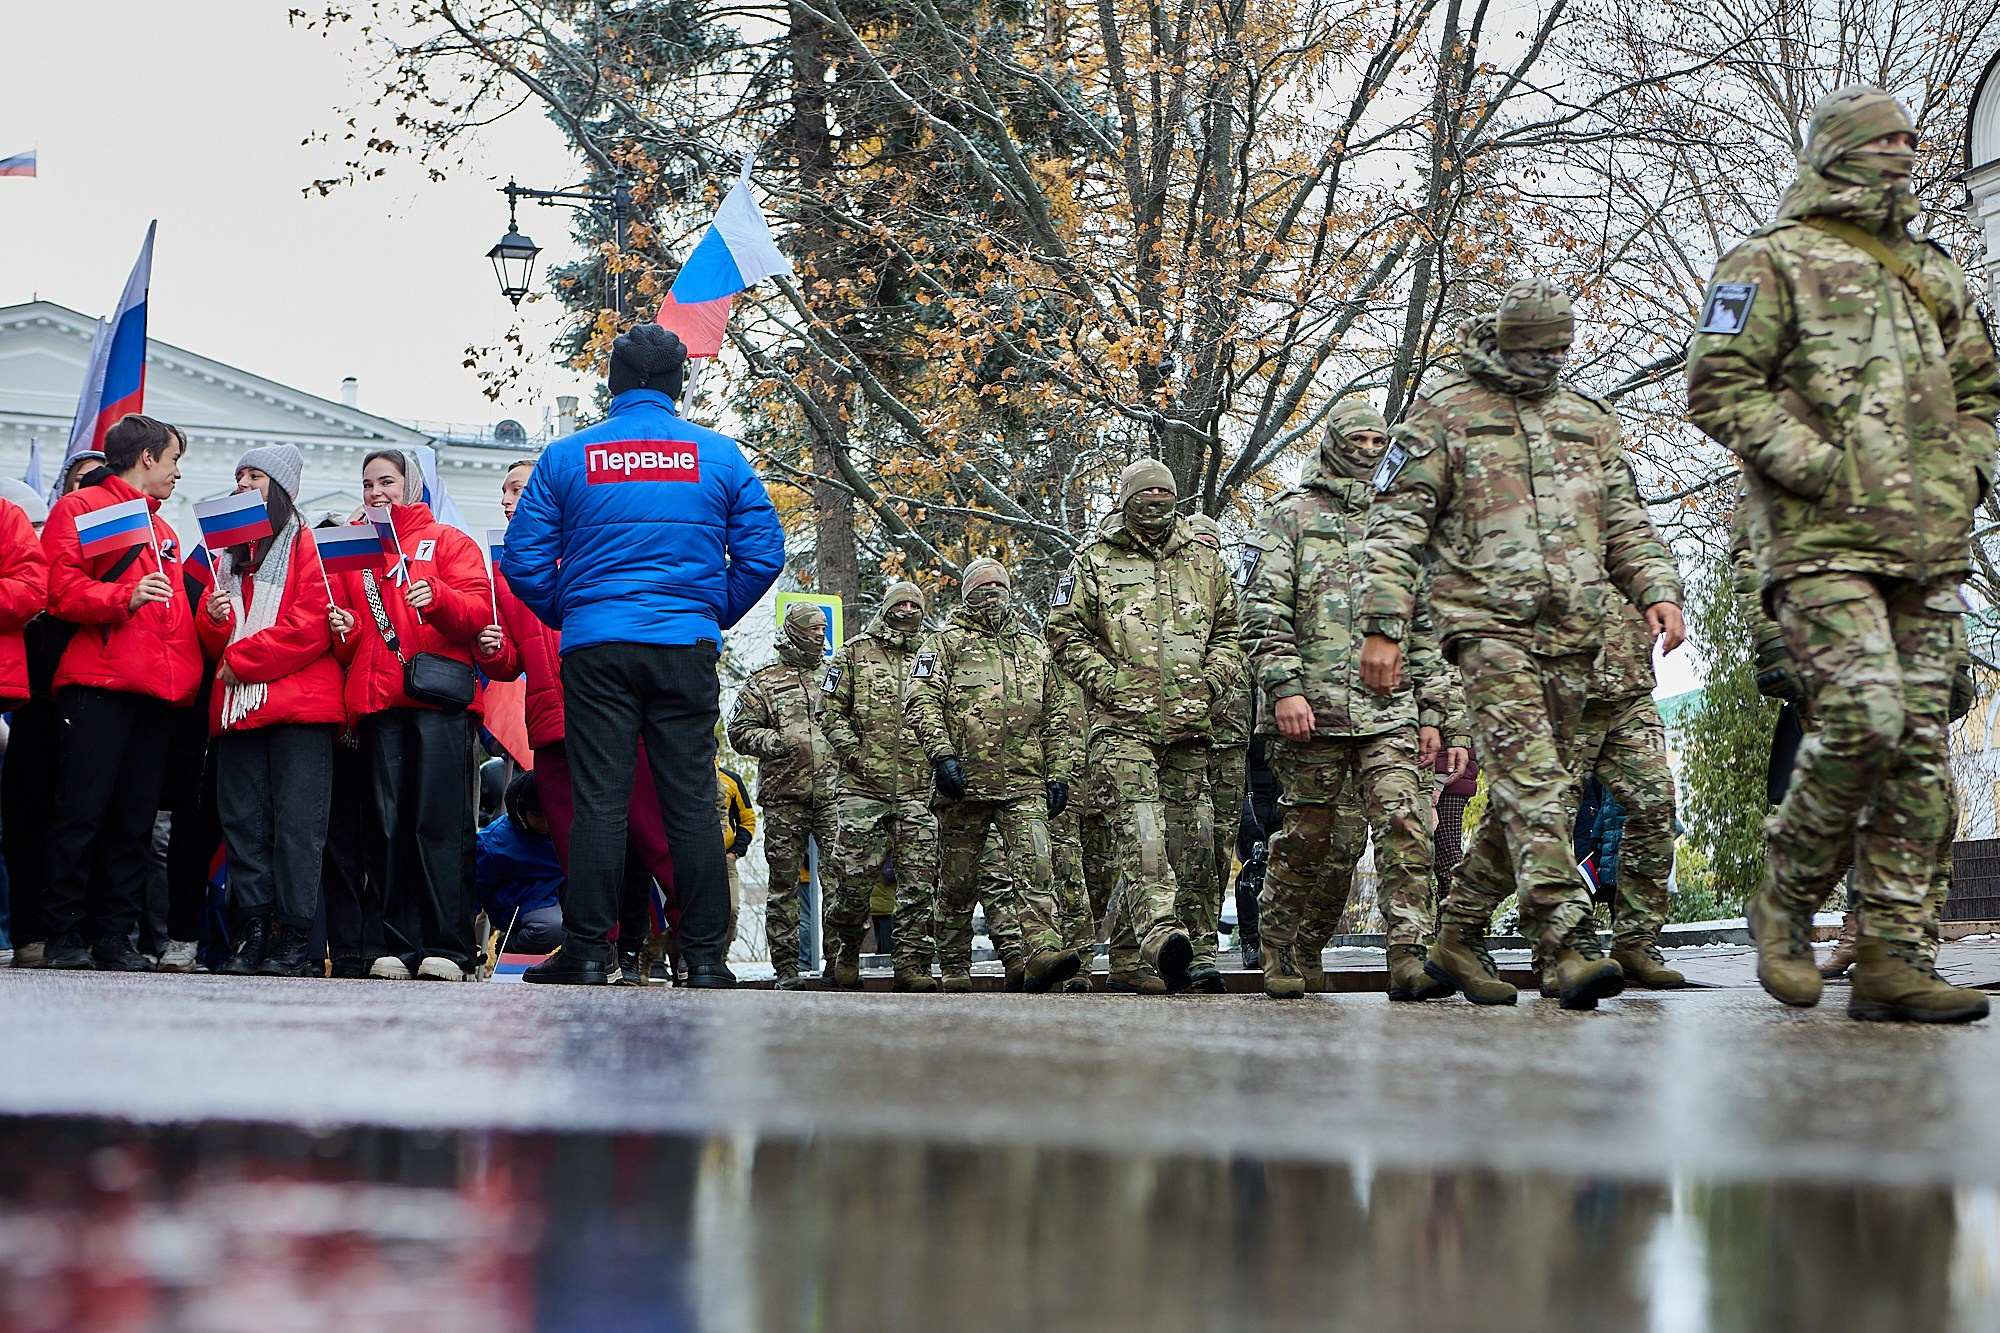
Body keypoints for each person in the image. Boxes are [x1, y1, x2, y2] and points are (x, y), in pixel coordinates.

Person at [1692, 91, 1997, 1022]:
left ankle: (1893, 960)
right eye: (1888, 139)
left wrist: (1970, 473)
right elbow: (1717, 387)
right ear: (1841, 151)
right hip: (1818, 542)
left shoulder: (1933, 270)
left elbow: (1981, 383)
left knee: (1915, 752)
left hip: (1928, 546)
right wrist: (1820, 466)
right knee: (1863, 713)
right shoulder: (1768, 262)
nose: (1908, 152)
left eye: (1912, 138)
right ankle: (1784, 894)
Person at [1362, 279, 1685, 1011]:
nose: (1548, 363)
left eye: (1560, 351)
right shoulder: (1442, 417)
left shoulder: (1588, 420)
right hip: (1486, 629)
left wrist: (1658, 589)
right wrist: (1383, 626)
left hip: (1577, 639)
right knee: (1537, 787)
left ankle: (1459, 929)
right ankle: (1564, 945)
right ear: (1506, 342)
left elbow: (1626, 521)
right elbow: (1395, 530)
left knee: (1529, 798)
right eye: (1536, 350)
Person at [504, 322, 786, 986]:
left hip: (597, 647)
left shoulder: (568, 456)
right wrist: (707, 613)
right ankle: (708, 958)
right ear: (677, 385)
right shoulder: (718, 456)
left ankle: (587, 951)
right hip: (682, 646)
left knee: (600, 799)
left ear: (612, 384)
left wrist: (571, 612)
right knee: (689, 797)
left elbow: (522, 559)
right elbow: (764, 553)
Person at [1241, 399, 1468, 1001]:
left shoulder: (1403, 523)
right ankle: (1281, 943)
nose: (1368, 450)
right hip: (1309, 714)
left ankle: (1408, 957)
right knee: (1309, 838)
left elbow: (1423, 626)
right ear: (1332, 441)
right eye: (1357, 439)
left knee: (1405, 824)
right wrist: (1285, 689)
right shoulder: (1288, 515)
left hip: (1389, 711)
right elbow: (1262, 609)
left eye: (1377, 440)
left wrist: (1436, 716)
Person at [1045, 459, 1242, 994]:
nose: (1157, 499)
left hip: (1190, 726)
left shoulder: (1205, 563)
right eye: (1146, 491)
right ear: (1127, 496)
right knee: (1142, 833)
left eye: (1166, 491)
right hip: (1121, 728)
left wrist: (1211, 682)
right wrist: (1110, 684)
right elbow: (1063, 631)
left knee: (1195, 842)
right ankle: (1160, 934)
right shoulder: (1093, 561)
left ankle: (1198, 953)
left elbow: (1232, 632)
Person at [487, 456, 681, 987]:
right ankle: (594, 948)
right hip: (551, 723)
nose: (507, 499)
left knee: (653, 838)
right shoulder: (506, 572)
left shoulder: (589, 550)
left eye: (519, 489)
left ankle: (698, 945)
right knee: (576, 847)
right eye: (503, 491)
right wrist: (492, 649)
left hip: (614, 718)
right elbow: (510, 660)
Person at [326, 448, 500, 983]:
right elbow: (357, 639)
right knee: (388, 826)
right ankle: (397, 946)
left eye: (388, 481)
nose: (377, 492)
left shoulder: (448, 541)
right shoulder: (355, 550)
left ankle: (448, 945)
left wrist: (439, 595)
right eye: (368, 483)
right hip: (381, 702)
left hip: (439, 703)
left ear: (413, 486)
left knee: (441, 824)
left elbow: (478, 610)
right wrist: (344, 627)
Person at [40, 415, 203, 971]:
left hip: (155, 694)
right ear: (148, 457)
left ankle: (115, 936)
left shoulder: (165, 532)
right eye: (175, 459)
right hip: (99, 685)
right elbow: (59, 592)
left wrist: (185, 682)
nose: (179, 473)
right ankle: (63, 935)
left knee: (134, 822)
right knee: (81, 814)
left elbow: (175, 617)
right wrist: (122, 598)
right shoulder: (79, 509)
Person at [193, 445, 342, 978]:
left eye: (254, 476)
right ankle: (251, 933)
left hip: (297, 708)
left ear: (278, 489)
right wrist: (213, 620)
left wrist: (242, 658)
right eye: (237, 476)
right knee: (244, 827)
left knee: (297, 829)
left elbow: (312, 624)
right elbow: (214, 636)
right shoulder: (225, 554)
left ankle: (292, 940)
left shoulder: (310, 544)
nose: (241, 485)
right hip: (237, 710)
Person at [906, 558, 1081, 991]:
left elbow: (1059, 714)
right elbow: (920, 700)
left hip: (1024, 782)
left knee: (1036, 867)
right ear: (966, 594)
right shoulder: (944, 644)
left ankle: (1041, 952)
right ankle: (954, 963)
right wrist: (942, 757)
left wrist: (1058, 773)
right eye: (982, 586)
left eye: (999, 585)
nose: (992, 593)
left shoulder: (1034, 648)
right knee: (958, 882)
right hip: (963, 784)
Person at [820, 580, 939, 991]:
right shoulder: (853, 652)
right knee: (853, 882)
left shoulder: (935, 652)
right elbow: (828, 711)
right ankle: (847, 949)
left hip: (917, 789)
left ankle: (909, 965)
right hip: (861, 789)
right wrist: (854, 753)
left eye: (915, 604)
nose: (907, 610)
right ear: (887, 607)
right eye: (900, 603)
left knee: (919, 882)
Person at [1568, 600, 1684, 989]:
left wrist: (1666, 597)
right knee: (1544, 819)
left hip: (1628, 687)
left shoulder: (1625, 536)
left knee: (1655, 805)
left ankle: (1635, 941)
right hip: (1561, 687)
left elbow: (1645, 548)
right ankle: (1557, 951)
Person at [728, 603, 840, 989]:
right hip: (784, 797)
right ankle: (787, 968)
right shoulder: (765, 681)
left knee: (841, 881)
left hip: (833, 795)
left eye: (823, 629)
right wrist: (777, 742)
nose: (819, 636)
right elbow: (738, 731)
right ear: (794, 631)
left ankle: (839, 965)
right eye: (812, 629)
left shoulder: (836, 675)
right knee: (784, 885)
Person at [1187, 514, 1251, 993]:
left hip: (1232, 743)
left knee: (1218, 849)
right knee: (1182, 842)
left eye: (1214, 543)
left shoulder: (1235, 603)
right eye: (1198, 543)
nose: (1206, 550)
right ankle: (1167, 939)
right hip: (1183, 739)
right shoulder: (1174, 603)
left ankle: (1204, 941)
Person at [477, 770, 566, 954]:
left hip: (557, 894)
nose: (544, 823)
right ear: (523, 810)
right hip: (517, 903)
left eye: (548, 815)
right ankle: (509, 945)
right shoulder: (495, 842)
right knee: (553, 928)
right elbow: (474, 890)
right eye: (537, 815)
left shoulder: (566, 828)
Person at [716, 757, 756, 948]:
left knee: (731, 910)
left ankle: (721, 958)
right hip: (689, 860)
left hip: (725, 860)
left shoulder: (731, 779)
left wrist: (735, 852)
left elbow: (748, 820)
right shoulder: (683, 776)